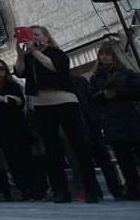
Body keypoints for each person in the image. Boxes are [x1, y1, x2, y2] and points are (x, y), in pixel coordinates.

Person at [13, 25, 100, 202]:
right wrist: (20, 54)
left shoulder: (56, 53)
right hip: (42, 105)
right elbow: (20, 72)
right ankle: (61, 190)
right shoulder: (30, 57)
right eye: (31, 35)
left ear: (46, 37)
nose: (34, 37)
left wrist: (35, 51)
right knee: (51, 149)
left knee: (78, 145)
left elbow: (54, 67)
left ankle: (91, 189)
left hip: (64, 101)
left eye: (37, 34)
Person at [0, 57, 38, 200]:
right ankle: (24, 190)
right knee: (12, 160)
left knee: (26, 157)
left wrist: (5, 99)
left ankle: (35, 189)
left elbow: (20, 101)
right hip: (2, 126)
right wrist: (10, 99)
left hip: (18, 124)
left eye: (1, 68)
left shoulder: (12, 84)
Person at [89, 45, 140, 199]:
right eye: (101, 54)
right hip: (111, 120)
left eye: (108, 54)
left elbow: (137, 92)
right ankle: (133, 188)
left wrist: (118, 93)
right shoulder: (95, 77)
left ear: (114, 56)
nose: (104, 57)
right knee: (123, 158)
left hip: (130, 117)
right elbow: (92, 98)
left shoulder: (126, 73)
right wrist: (103, 95)